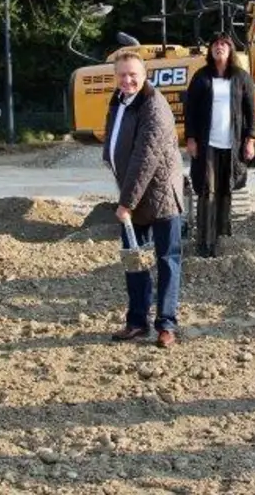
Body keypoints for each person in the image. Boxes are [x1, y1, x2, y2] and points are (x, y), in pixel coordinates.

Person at [104, 50, 187, 349]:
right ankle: (137, 321)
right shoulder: (118, 101)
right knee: (134, 261)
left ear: (144, 76)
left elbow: (145, 157)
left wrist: (125, 202)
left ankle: (166, 325)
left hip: (161, 196)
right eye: (122, 74)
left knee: (167, 261)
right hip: (133, 197)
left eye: (133, 75)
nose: (127, 80)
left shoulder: (154, 105)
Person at [183, 31, 255, 257]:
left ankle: (223, 241)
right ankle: (204, 243)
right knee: (207, 191)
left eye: (224, 44)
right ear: (210, 50)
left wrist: (250, 139)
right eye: (215, 43)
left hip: (232, 145)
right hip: (208, 145)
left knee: (226, 191)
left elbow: (250, 112)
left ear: (231, 49)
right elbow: (191, 111)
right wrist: (191, 138)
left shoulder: (242, 77)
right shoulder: (201, 77)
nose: (219, 47)